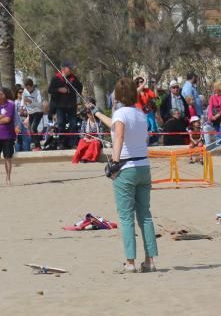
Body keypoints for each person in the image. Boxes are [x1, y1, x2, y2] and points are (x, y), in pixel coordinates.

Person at [93, 77, 158, 274]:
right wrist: (95, 112)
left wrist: (113, 162)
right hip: (143, 167)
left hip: (126, 168)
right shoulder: (139, 113)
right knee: (145, 215)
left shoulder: (121, 113)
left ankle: (130, 262)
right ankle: (150, 261)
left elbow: (119, 135)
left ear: (118, 95)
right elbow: (115, 124)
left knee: (126, 217)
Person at [48, 62, 82, 149]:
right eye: (69, 68)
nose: (70, 69)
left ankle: (73, 143)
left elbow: (79, 88)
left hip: (71, 105)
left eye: (71, 68)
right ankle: (61, 143)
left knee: (73, 124)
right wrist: (59, 89)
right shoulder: (56, 78)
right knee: (60, 124)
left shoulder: (73, 78)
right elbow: (50, 90)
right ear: (63, 68)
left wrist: (73, 84)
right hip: (60, 106)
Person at [206, 80, 221, 148]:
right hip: (214, 119)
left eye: (215, 87)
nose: (214, 89)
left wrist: (218, 115)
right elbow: (210, 108)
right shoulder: (212, 97)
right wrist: (210, 116)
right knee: (217, 132)